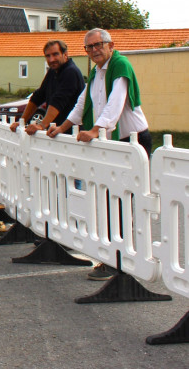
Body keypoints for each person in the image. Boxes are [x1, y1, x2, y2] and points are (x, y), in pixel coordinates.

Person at [47, 28, 150, 281]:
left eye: (98, 45)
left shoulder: (120, 66)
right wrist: (62, 127)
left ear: (110, 45)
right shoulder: (97, 71)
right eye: (89, 47)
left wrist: (96, 129)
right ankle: (114, 257)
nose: (94, 50)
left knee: (121, 202)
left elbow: (116, 101)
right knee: (108, 200)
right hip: (111, 141)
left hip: (130, 141)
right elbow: (83, 102)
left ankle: (122, 260)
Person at [9, 39, 85, 135]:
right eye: (48, 56)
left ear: (65, 54)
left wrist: (42, 125)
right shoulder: (53, 71)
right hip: (56, 131)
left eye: (55, 54)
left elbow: (58, 101)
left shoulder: (71, 72)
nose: (51, 59)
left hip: (72, 133)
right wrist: (21, 122)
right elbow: (38, 96)